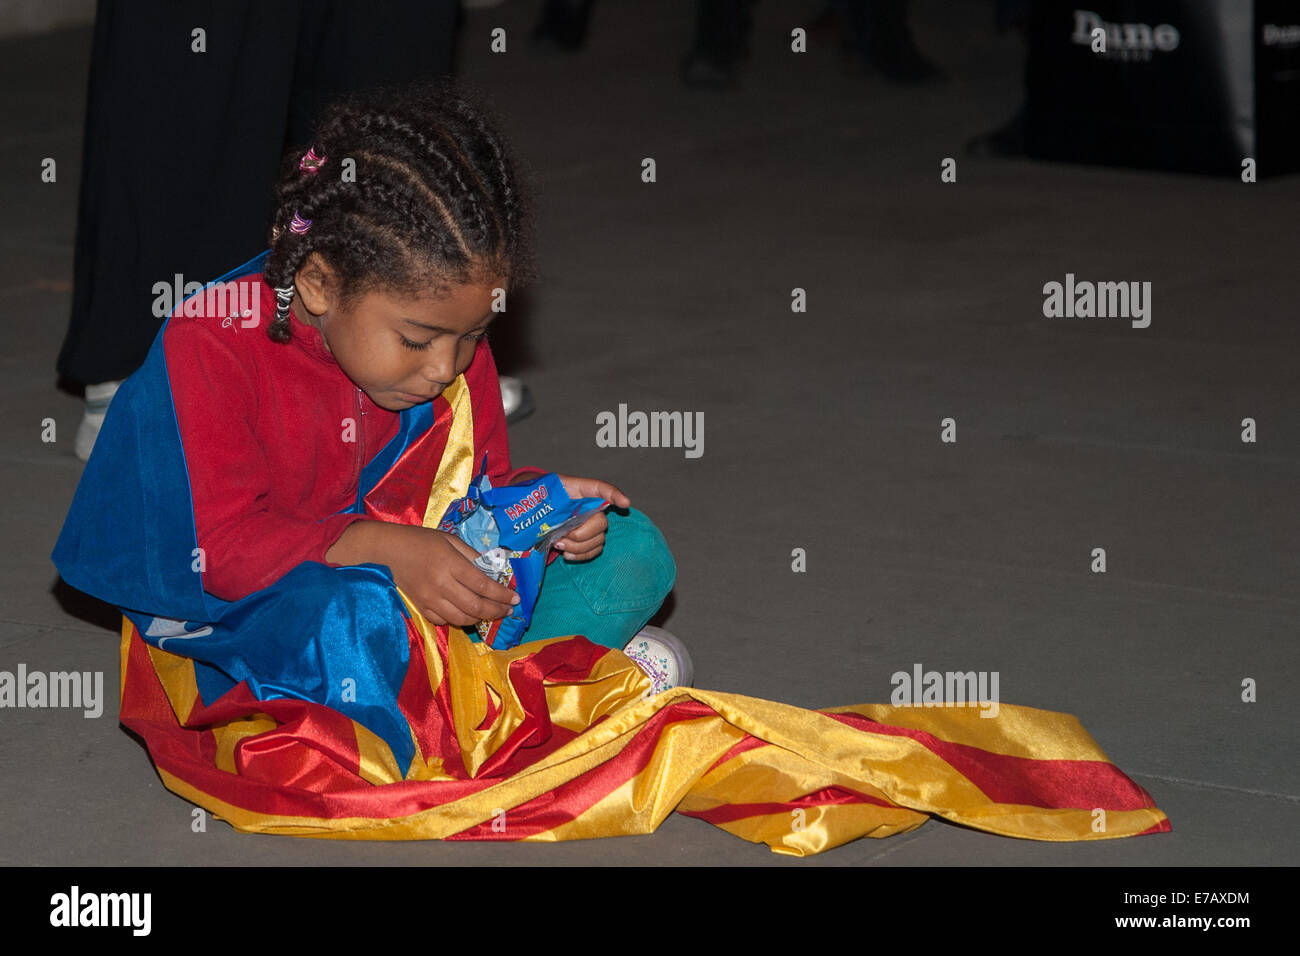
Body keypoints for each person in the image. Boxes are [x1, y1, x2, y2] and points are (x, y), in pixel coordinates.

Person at [53, 82, 691, 749]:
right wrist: (383, 550)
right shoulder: (214, 341)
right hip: (250, 605)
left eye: (472, 336)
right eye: (417, 340)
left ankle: (506, 690)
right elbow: (219, 550)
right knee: (350, 618)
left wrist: (546, 512)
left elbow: (476, 492)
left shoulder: (448, 342)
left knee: (631, 547)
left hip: (422, 582)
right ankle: (538, 688)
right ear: (320, 283)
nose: (448, 367)